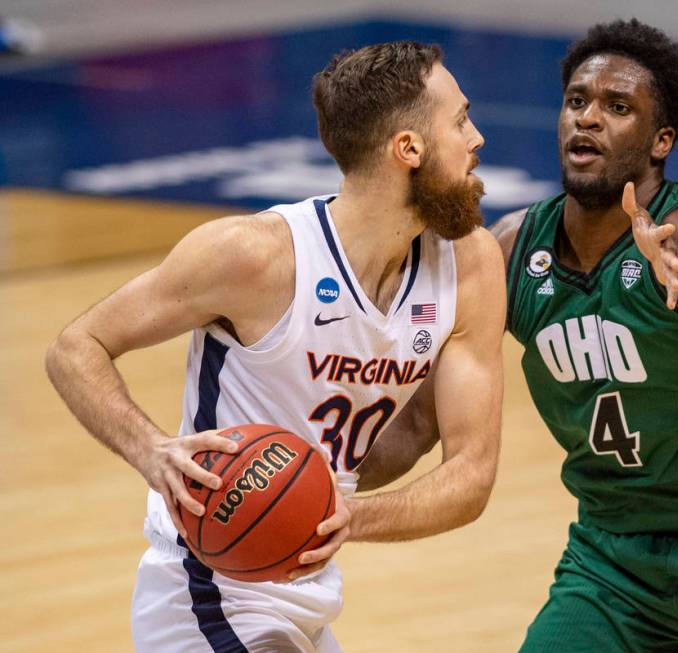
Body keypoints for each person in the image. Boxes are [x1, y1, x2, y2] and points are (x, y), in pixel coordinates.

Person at [361, 19, 678, 653]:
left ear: (661, 140)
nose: (588, 119)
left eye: (617, 107)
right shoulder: (513, 252)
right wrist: (320, 480)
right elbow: (414, 426)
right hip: (618, 558)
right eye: (577, 101)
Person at [45, 40, 505, 653]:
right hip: (206, 586)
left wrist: (343, 511)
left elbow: (471, 474)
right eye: (460, 120)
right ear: (409, 149)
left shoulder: (468, 263)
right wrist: (150, 450)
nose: (476, 138)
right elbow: (77, 346)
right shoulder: (254, 256)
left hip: (304, 581)